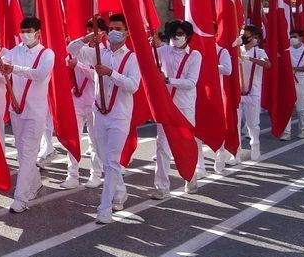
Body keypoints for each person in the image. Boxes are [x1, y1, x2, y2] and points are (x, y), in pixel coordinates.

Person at [69, 13, 141, 225]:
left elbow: (133, 86)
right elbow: (71, 51)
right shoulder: (99, 52)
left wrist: (111, 73)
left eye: (119, 28)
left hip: (119, 116)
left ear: (127, 32)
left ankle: (104, 208)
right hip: (99, 112)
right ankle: (120, 192)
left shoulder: (132, 58)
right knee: (102, 156)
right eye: (111, 29)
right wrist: (86, 39)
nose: (114, 32)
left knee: (111, 161)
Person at [0, 17, 54, 213]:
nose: (25, 34)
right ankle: (36, 183)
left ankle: (20, 198)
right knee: (23, 154)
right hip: (17, 110)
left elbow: (39, 74)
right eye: (23, 31)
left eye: (29, 31)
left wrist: (14, 69)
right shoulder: (15, 51)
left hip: (35, 112)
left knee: (29, 152)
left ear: (38, 32)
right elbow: (1, 66)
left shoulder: (47, 54)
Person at [152, 20, 203, 197]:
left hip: (185, 106)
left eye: (180, 34)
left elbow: (191, 83)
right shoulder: (163, 51)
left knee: (186, 144)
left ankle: (190, 177)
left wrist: (167, 80)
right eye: (174, 33)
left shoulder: (195, 56)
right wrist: (150, 45)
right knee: (162, 146)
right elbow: (146, 58)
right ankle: (162, 187)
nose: (176, 37)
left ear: (188, 36)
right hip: (166, 105)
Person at [63, 18, 104, 189]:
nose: (91, 35)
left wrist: (78, 65)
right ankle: (72, 175)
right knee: (74, 139)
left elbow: (96, 74)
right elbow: (69, 49)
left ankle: (95, 175)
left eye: (94, 32)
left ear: (103, 34)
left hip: (95, 101)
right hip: (77, 100)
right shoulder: (81, 49)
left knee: (95, 141)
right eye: (88, 31)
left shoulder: (105, 52)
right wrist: (85, 40)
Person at [238, 25, 271, 160]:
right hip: (238, 93)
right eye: (240, 35)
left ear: (252, 37)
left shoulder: (260, 52)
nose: (242, 38)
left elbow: (268, 65)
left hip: (253, 92)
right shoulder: (236, 50)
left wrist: (249, 59)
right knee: (235, 124)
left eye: (244, 35)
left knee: (253, 124)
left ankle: (255, 147)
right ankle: (235, 152)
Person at [282, 29, 304, 140]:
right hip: (289, 81)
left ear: (301, 38)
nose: (292, 39)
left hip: (301, 81)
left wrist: (292, 68)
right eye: (291, 36)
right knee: (288, 107)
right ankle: (286, 132)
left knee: (300, 108)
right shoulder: (287, 50)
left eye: (295, 36)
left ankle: (302, 130)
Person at [213, 40, 237, 172]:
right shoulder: (196, 51)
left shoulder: (222, 51)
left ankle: (220, 158)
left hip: (218, 95)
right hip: (200, 95)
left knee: (219, 128)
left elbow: (228, 70)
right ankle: (199, 167)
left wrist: (211, 64)